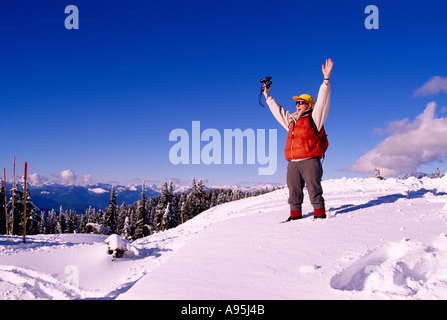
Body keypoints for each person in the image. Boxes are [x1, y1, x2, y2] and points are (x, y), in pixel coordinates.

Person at [263, 58, 333, 221]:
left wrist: (326, 81)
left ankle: (320, 216)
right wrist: (267, 96)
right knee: (294, 191)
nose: (298, 105)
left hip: (310, 160)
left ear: (309, 105)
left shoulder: (315, 119)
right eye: (297, 103)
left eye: (302, 102)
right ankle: (295, 217)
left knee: (314, 189)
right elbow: (278, 111)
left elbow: (323, 102)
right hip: (292, 162)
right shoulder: (291, 122)